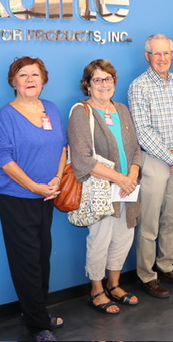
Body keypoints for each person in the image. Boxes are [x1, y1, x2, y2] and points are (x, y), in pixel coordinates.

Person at [0, 56, 67, 342]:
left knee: (42, 256)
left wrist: (57, 179)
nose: (30, 80)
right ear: (13, 82)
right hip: (16, 198)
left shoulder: (51, 108)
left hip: (47, 195)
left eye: (35, 74)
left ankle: (36, 311)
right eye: (23, 75)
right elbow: (4, 159)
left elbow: (62, 147)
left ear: (43, 79)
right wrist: (35, 187)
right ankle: (38, 325)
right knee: (26, 261)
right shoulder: (6, 115)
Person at [68, 59, 142, 315]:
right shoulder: (81, 112)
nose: (103, 84)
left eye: (107, 79)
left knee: (123, 237)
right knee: (100, 239)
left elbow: (135, 149)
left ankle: (114, 284)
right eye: (97, 79)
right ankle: (97, 289)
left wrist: (132, 174)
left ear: (114, 82)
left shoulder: (121, 109)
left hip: (127, 188)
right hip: (102, 190)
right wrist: (119, 178)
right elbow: (82, 159)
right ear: (87, 85)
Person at [128, 34, 173, 298]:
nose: (162, 58)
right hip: (155, 161)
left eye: (166, 53)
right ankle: (146, 275)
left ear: (172, 55)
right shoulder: (139, 86)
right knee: (149, 222)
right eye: (156, 53)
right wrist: (171, 158)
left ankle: (167, 265)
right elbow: (142, 131)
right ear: (147, 56)